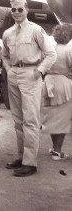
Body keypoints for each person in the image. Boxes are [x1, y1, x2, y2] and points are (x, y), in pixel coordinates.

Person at [2, 0, 56, 177]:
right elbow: (5, 55)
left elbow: (50, 54)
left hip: (31, 74)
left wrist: (39, 71)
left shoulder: (36, 30)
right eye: (13, 10)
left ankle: (30, 162)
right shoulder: (8, 33)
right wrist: (9, 69)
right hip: (14, 75)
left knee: (31, 120)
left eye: (20, 9)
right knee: (17, 120)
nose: (16, 13)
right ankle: (21, 156)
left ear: (26, 10)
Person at [41, 23, 72, 160]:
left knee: (53, 118)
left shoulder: (50, 49)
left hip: (48, 83)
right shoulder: (69, 50)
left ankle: (55, 149)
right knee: (62, 119)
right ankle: (57, 151)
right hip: (63, 84)